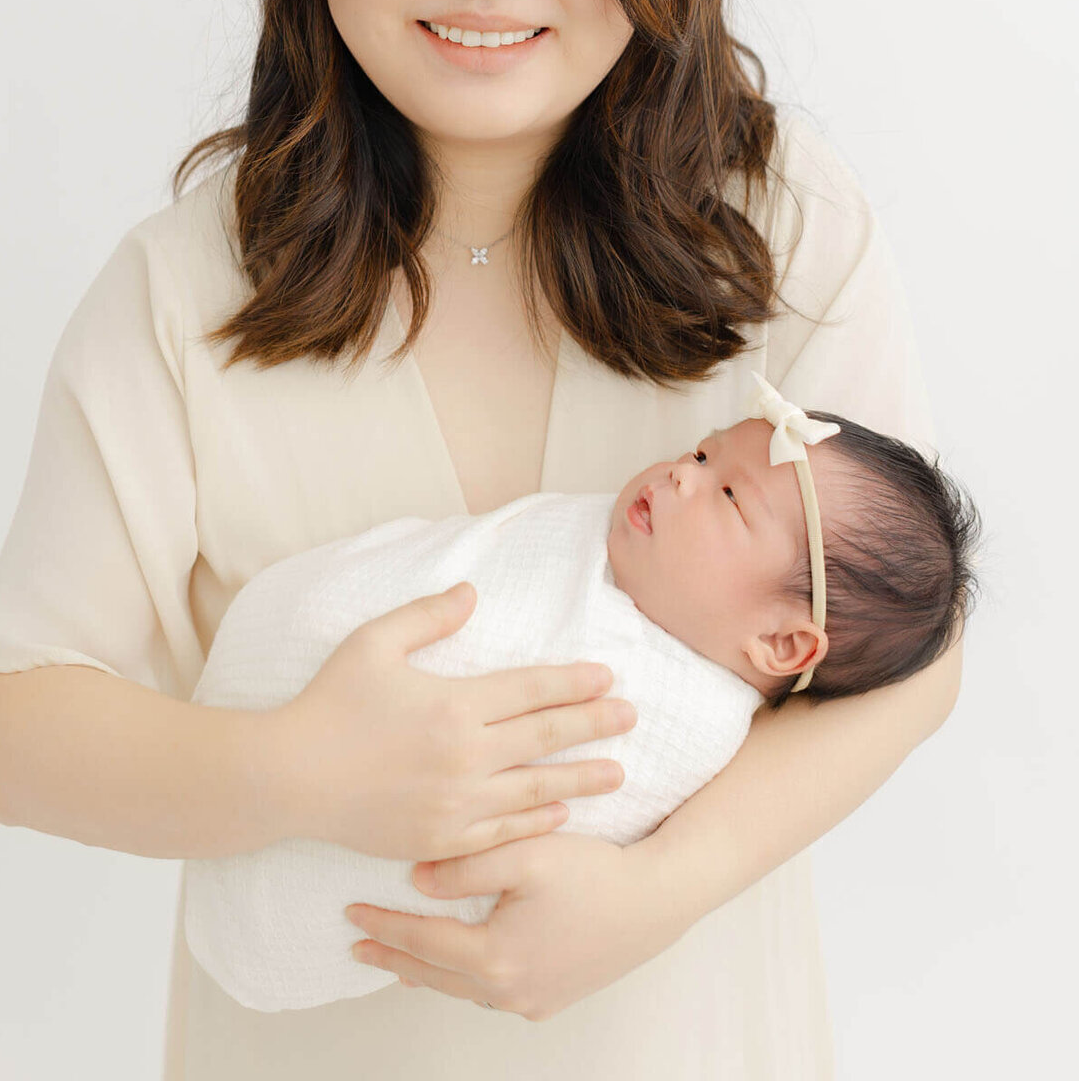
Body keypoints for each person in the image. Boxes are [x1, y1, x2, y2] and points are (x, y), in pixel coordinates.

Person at [0, 0, 965, 1079]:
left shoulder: (778, 226)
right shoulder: (190, 290)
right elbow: (16, 730)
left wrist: (647, 898)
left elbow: (908, 654)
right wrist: (299, 768)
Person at [181, 375, 981, 1012]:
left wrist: (655, 887)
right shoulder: (594, 550)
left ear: (781, 643)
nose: (682, 474)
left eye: (730, 498)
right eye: (703, 458)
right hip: (228, 761)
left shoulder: (676, 725)